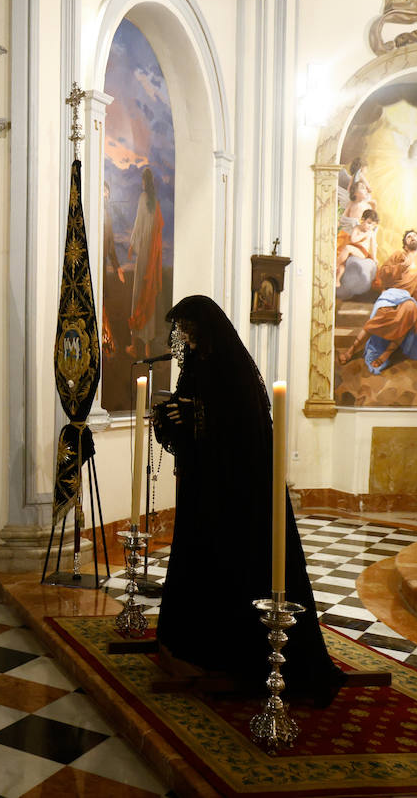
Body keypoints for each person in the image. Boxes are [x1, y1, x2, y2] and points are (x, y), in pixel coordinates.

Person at [151, 296, 344, 705]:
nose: (184, 335)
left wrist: (199, 416)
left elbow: (243, 428)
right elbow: (192, 418)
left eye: (188, 326)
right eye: (180, 328)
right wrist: (175, 415)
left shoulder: (233, 367)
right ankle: (191, 647)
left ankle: (235, 655)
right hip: (203, 485)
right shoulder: (195, 365)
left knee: (232, 564)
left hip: (236, 492)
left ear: (206, 326)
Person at [340, 231, 417, 374]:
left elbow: (415, 289)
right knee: (380, 316)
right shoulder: (398, 255)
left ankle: (386, 354)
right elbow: (383, 274)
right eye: (409, 237)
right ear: (405, 245)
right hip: (391, 294)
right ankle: (351, 350)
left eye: (414, 236)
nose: (412, 238)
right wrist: (400, 267)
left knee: (411, 310)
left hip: (406, 298)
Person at [336, 208, 379, 286]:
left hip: (362, 252)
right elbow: (353, 240)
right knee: (343, 264)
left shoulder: (371, 233)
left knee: (347, 248)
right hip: (352, 249)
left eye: (373, 225)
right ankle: (337, 280)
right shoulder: (357, 228)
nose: (370, 227)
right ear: (362, 220)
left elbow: (373, 247)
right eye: (369, 223)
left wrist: (374, 258)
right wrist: (362, 234)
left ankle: (335, 265)